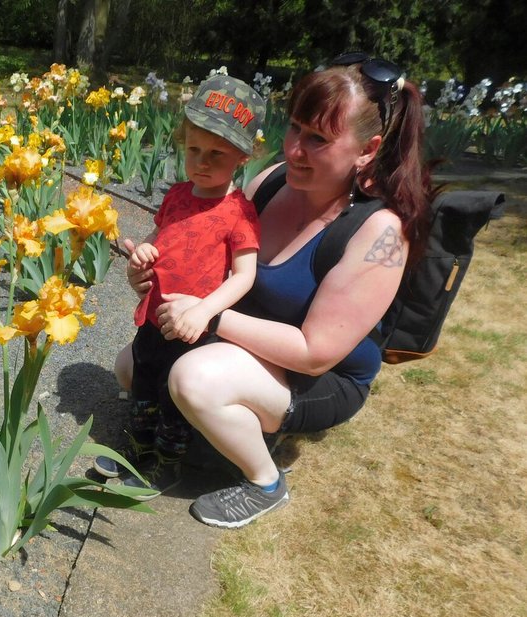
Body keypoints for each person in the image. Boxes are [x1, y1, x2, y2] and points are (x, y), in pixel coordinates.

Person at [116, 54, 432, 527]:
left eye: (318, 139)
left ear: (367, 149)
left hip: (319, 376)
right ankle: (223, 424)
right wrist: (153, 275)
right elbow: (215, 258)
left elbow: (314, 354)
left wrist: (210, 316)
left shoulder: (379, 233)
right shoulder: (273, 183)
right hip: (252, 340)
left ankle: (265, 481)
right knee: (131, 365)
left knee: (192, 380)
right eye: (296, 128)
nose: (296, 149)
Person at [94, 75, 266, 492]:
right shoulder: (177, 195)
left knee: (174, 402)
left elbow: (245, 276)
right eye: (193, 149)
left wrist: (206, 311)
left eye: (217, 155)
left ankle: (167, 465)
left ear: (243, 157)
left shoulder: (238, 213)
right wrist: (144, 253)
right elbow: (162, 238)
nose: (202, 162)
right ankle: (137, 449)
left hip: (191, 328)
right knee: (144, 386)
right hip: (155, 317)